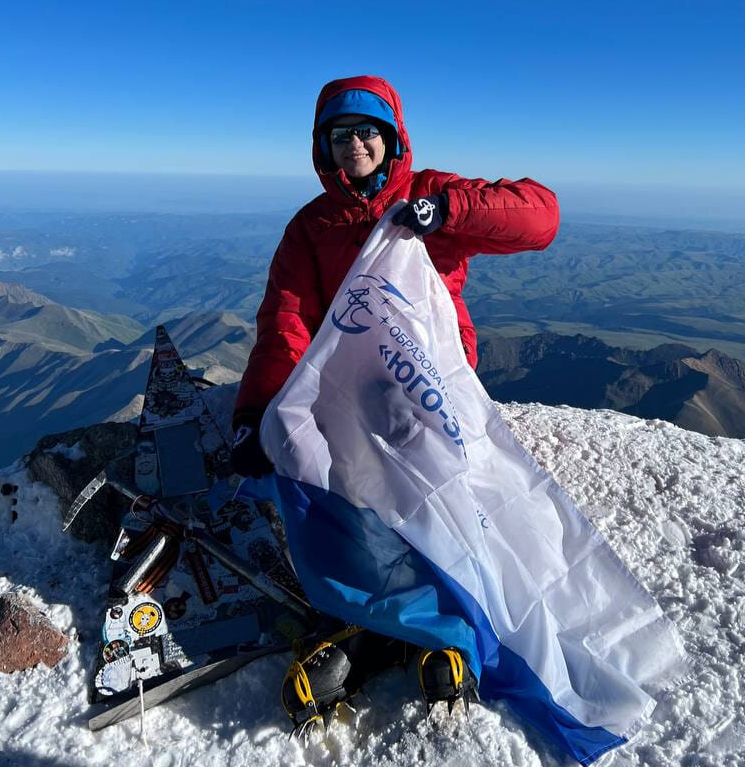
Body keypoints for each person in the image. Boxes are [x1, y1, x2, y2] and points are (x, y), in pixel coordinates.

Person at [228, 75, 560, 727]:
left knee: (431, 496)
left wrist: (451, 214)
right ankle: (376, 616)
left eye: (366, 131)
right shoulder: (312, 227)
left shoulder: (431, 195)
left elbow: (540, 216)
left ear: (390, 138)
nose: (354, 144)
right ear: (322, 147)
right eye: (339, 134)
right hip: (349, 391)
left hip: (431, 387)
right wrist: (253, 413)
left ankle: (437, 625)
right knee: (326, 480)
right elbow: (287, 324)